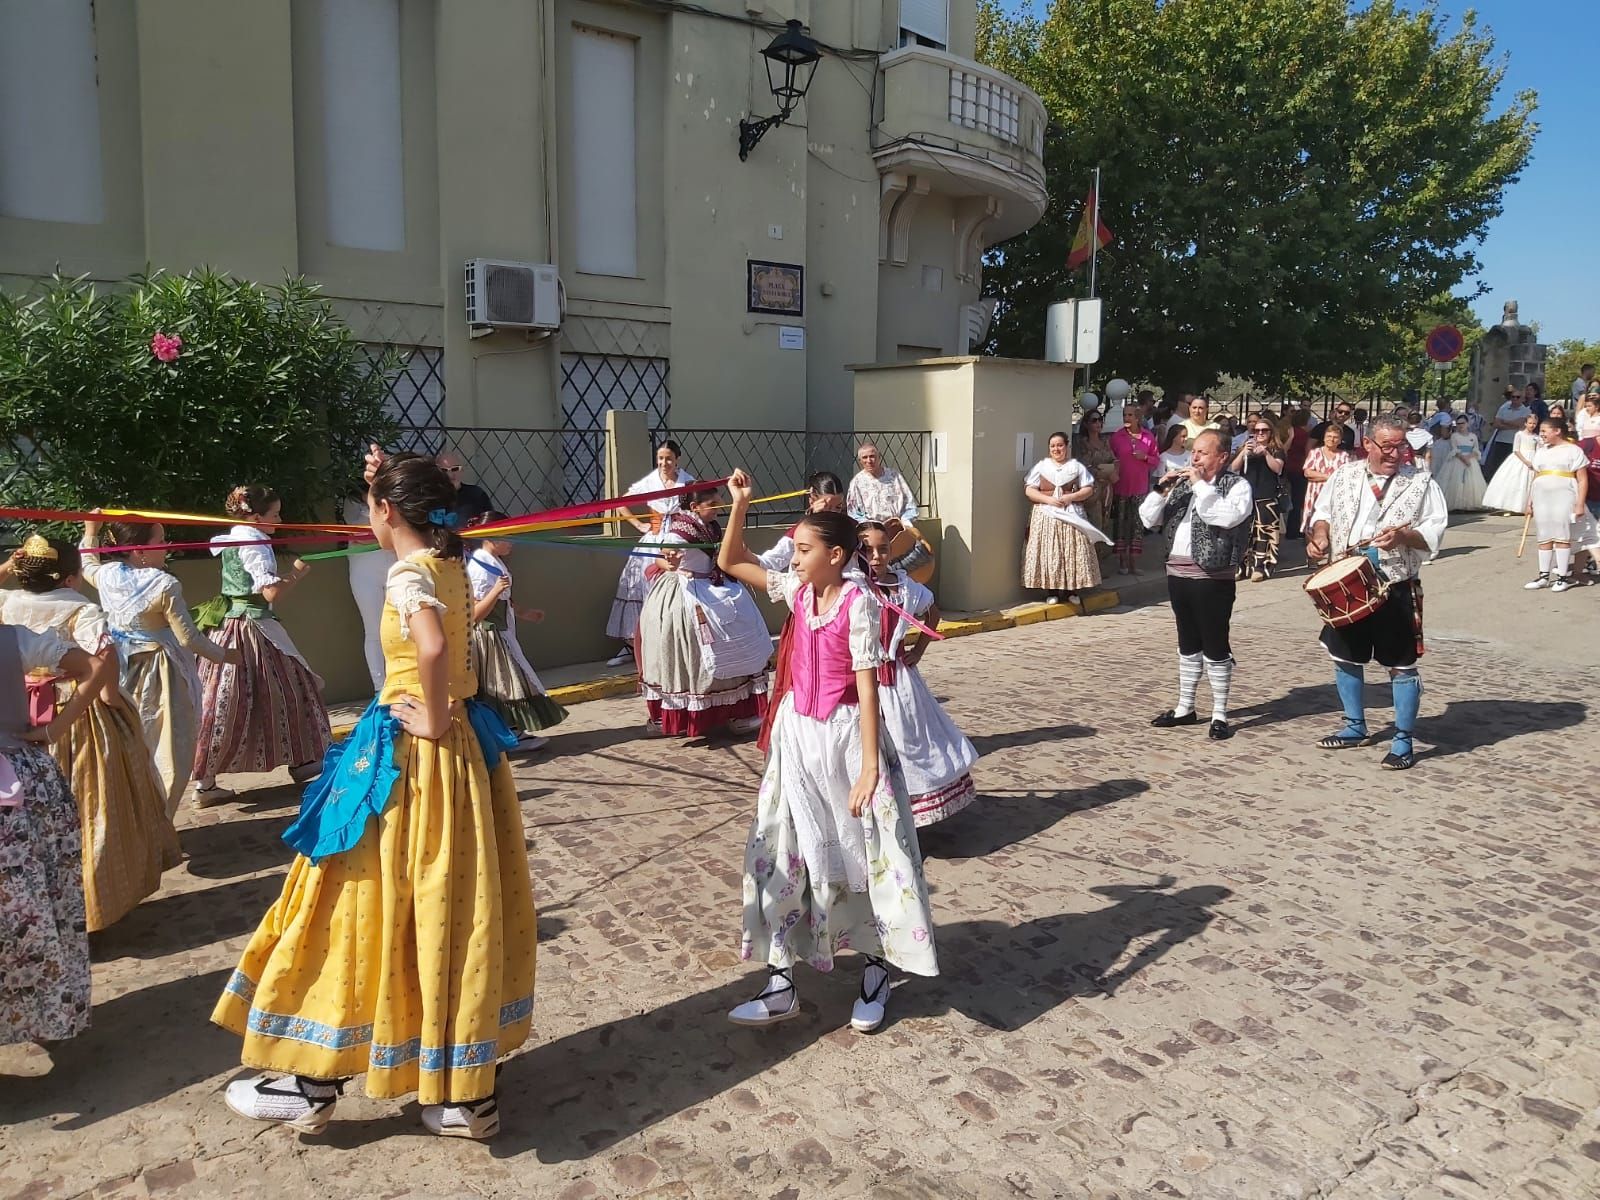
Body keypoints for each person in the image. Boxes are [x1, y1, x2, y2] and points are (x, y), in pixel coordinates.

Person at [214, 451, 536, 1140]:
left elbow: (428, 643)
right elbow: (448, 634)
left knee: (355, 896)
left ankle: (312, 1081)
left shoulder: (407, 573)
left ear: (388, 514)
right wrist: (378, 479)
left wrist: (437, 711)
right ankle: (460, 1092)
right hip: (459, 762)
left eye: (371, 508)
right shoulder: (451, 565)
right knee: (449, 905)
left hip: (410, 758)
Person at [715, 472, 937, 1033]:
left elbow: (867, 685)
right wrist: (740, 503)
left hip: (843, 738)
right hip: (798, 737)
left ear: (837, 556)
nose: (794, 557)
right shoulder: (799, 591)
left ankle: (876, 969)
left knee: (867, 856)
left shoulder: (857, 601)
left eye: (805, 550)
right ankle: (780, 982)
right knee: (781, 850)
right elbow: (730, 560)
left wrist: (868, 766)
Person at [0, 537, 179, 931]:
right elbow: (102, 659)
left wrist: (11, 568)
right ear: (70, 577)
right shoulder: (81, 608)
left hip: (16, 707)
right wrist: (111, 702)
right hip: (75, 713)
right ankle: (97, 901)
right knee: (93, 805)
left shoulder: (7, 601)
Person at [1306, 415, 1449, 771]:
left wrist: (1404, 537)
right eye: (1388, 445)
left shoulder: (1421, 481)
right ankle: (1355, 725)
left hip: (1394, 583)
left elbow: (1435, 531)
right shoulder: (1344, 474)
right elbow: (1321, 513)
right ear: (1367, 444)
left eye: (1402, 445)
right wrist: (1320, 536)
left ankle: (1403, 739)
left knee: (1400, 664)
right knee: (1345, 656)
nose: (1396, 452)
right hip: (1347, 579)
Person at [0, 619, 115, 1048]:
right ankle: (46, 1010)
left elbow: (92, 666)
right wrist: (53, 728)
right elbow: (93, 666)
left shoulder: (13, 638)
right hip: (21, 782)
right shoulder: (13, 639)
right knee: (39, 904)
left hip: (16, 788)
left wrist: (53, 729)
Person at [79, 517, 241, 817]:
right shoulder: (164, 584)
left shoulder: (108, 574)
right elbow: (189, 638)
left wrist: (91, 531)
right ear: (140, 550)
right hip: (158, 673)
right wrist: (226, 656)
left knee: (127, 743)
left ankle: (133, 818)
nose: (167, 546)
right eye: (160, 541)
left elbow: (88, 564)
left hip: (116, 670)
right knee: (169, 749)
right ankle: (156, 820)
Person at [192, 485, 330, 803]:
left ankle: (208, 780)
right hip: (252, 627)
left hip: (230, 623)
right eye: (275, 514)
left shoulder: (234, 536)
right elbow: (270, 593)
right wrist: (295, 575)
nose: (279, 520)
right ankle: (302, 761)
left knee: (228, 698)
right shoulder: (254, 539)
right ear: (255, 517)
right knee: (287, 687)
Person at [857, 522, 978, 828]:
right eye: (867, 549)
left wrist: (919, 650)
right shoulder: (851, 585)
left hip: (897, 681)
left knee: (907, 741)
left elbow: (932, 614)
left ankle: (907, 808)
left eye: (882, 549)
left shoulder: (904, 587)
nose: (875, 556)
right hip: (859, 678)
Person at [1139, 431, 1253, 740]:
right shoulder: (1183, 486)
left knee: (1215, 646)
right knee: (1187, 642)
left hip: (1213, 578)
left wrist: (1201, 486)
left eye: (1203, 452)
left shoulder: (1237, 486)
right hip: (1178, 573)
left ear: (1222, 457)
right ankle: (1185, 707)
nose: (1195, 457)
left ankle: (1220, 713)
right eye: (1194, 451)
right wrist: (1161, 490)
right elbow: (1148, 519)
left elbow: (1223, 517)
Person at [638, 491, 770, 738]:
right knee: (688, 652)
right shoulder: (679, 530)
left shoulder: (710, 527)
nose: (720, 507)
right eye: (713, 504)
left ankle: (737, 712)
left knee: (737, 632)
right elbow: (666, 554)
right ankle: (672, 716)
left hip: (714, 587)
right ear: (695, 506)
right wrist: (672, 561)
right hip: (685, 594)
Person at [755, 471, 849, 754]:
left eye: (838, 507)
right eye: (827, 506)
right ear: (812, 499)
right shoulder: (799, 534)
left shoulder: (847, 531)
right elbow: (768, 562)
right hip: (805, 623)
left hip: (839, 622)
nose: (833, 512)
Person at [465, 514, 567, 749]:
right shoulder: (480, 568)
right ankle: (511, 735)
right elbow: (475, 613)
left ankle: (509, 734)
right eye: (507, 535)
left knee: (507, 683)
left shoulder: (490, 561)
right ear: (490, 537)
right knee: (503, 685)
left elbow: (504, 601)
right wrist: (496, 591)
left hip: (502, 632)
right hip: (490, 636)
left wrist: (525, 613)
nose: (512, 541)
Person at [605, 440, 697, 668]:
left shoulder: (688, 482)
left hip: (677, 541)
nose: (664, 463)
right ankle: (632, 644)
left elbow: (696, 510)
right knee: (639, 587)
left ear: (677, 459)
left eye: (668, 458)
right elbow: (621, 503)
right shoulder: (651, 481)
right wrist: (638, 525)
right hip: (652, 542)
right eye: (660, 459)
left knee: (675, 590)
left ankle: (669, 643)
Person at [1021, 431, 1111, 605]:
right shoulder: (1042, 466)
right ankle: (1052, 590)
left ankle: (1071, 590)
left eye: (1060, 445)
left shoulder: (1076, 467)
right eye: (1053, 446)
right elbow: (1029, 489)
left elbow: (1088, 489)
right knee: (1049, 551)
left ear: (1067, 447)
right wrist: (1048, 499)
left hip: (1071, 513)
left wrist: (1071, 497)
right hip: (1046, 514)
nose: (1056, 449)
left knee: (1071, 551)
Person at [1523, 418, 1595, 594]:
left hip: (1564, 495)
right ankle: (1543, 576)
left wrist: (1579, 504)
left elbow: (1582, 479)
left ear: (1557, 431)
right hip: (1542, 497)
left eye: (1545, 430)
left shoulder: (1573, 450)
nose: (1542, 434)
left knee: (1562, 535)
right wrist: (1530, 500)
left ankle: (1563, 577)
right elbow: (1537, 476)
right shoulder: (1541, 451)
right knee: (1544, 534)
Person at [343, 487, 398, 692]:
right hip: (364, 573)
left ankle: (401, 682)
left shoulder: (392, 498)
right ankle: (380, 688)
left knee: (400, 627)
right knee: (374, 630)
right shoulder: (352, 501)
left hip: (393, 567)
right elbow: (360, 534)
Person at [1229, 415, 1285, 582]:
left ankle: (1260, 567)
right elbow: (1232, 468)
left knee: (1264, 533)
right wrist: (1244, 453)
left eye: (1264, 431)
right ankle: (1241, 566)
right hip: (1246, 497)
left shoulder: (1276, 449)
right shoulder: (1246, 447)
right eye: (1256, 430)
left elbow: (1278, 469)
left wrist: (1266, 453)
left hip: (1267, 496)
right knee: (1243, 533)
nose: (1260, 433)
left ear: (1270, 432)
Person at [1109, 402, 1159, 574]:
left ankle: (1134, 563)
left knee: (1137, 525)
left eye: (1130, 415)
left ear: (1138, 417)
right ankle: (1122, 563)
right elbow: (1111, 458)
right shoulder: (1117, 437)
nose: (1126, 418)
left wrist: (1145, 457)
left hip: (1140, 487)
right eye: (1125, 415)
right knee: (1121, 524)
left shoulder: (1148, 436)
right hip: (1121, 487)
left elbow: (1156, 459)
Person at [1300, 422, 1356, 554]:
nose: (1331, 439)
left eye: (1335, 437)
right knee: (1312, 522)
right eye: (1329, 436)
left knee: (1334, 522)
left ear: (1340, 440)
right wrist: (1331, 477)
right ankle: (1312, 555)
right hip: (1315, 493)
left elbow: (1345, 476)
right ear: (1324, 437)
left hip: (1336, 494)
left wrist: (1320, 476)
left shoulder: (1344, 455)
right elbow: (1308, 473)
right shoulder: (1315, 453)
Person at [846, 441, 918, 526]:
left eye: (872, 456)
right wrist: (870, 526)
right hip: (872, 529)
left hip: (897, 526)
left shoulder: (894, 476)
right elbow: (854, 513)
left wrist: (905, 521)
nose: (869, 460)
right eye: (865, 457)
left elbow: (910, 504)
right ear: (860, 461)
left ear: (879, 457)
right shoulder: (857, 482)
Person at [1481, 411, 1540, 515]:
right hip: (1520, 459)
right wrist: (1525, 461)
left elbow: (1538, 449)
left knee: (1529, 482)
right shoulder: (1519, 434)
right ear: (1525, 423)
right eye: (1530, 423)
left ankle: (1528, 505)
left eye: (1534, 423)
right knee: (1517, 481)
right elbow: (1516, 450)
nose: (1532, 425)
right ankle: (1512, 506)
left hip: (1533, 458)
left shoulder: (1536, 437)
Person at [1076, 412, 1118, 555]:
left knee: (1105, 522)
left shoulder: (1105, 441)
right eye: (1094, 420)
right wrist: (1098, 473)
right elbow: (1081, 465)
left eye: (1100, 420)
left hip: (1106, 487)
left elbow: (1114, 459)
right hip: (1091, 489)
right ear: (1087, 423)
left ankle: (1101, 560)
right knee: (1094, 522)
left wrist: (1115, 471)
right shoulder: (1082, 443)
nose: (1098, 423)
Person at [1435, 416, 1487, 511]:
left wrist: (1469, 457)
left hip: (1471, 461)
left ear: (1467, 424)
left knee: (1472, 482)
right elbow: (1455, 449)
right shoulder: (1455, 436)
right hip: (1457, 461)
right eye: (1458, 424)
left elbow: (1476, 449)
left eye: (1462, 423)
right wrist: (1463, 459)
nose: (1460, 426)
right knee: (1456, 481)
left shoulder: (1473, 436)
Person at [435, 451, 496, 527]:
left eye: (455, 469)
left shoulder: (477, 495)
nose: (450, 475)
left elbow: (490, 524)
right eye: (444, 470)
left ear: (462, 470)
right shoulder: (430, 499)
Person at [1482, 386, 1532, 477]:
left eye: (1517, 397)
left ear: (1522, 399)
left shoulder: (1526, 410)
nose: (1515, 399)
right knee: (1497, 465)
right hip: (1501, 441)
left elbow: (1520, 424)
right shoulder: (1503, 408)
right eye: (1513, 397)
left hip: (1515, 442)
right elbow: (1496, 424)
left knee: (1511, 467)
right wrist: (1513, 425)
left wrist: (1504, 422)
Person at [1283, 408, 1311, 540]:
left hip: (1289, 467)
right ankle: (1294, 529)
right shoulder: (1305, 435)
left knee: (1293, 499)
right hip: (1299, 468)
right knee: (1298, 500)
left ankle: (1291, 529)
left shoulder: (1290, 431)